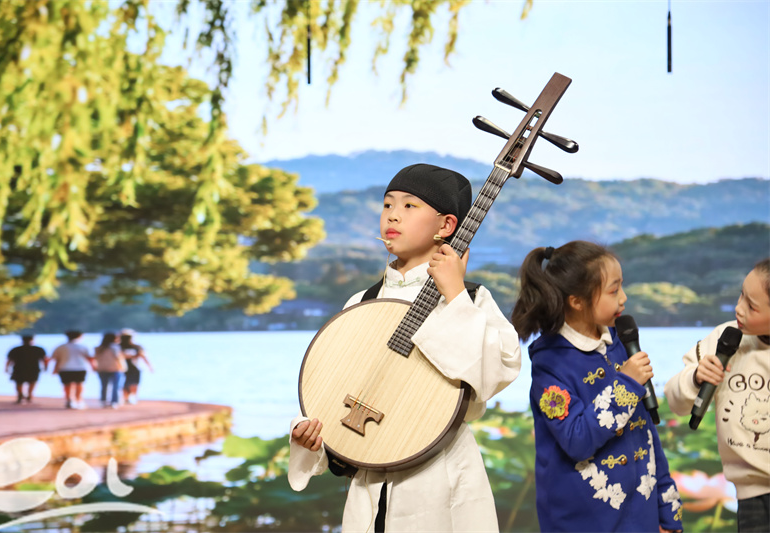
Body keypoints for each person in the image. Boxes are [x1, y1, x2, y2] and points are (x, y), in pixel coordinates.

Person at [288, 163, 522, 532]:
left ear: (447, 225)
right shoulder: (362, 302)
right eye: (387, 204)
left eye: (409, 206)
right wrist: (314, 439)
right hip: (368, 480)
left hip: (441, 475)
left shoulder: (469, 298)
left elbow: (496, 371)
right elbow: (335, 387)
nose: (393, 215)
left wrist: (454, 293)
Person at [510, 241, 683, 532]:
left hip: (640, 519)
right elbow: (577, 440)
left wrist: (667, 509)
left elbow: (646, 433)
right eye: (614, 291)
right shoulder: (550, 365)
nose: (624, 298)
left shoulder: (620, 343)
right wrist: (626, 385)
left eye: (621, 286)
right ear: (577, 301)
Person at [664, 258, 770, 532]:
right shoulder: (724, 337)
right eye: (741, 295)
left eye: (751, 306)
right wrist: (696, 377)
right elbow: (675, 402)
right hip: (752, 495)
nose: (739, 308)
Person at [50, 330, 95, 409]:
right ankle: (78, 400)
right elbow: (89, 358)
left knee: (67, 385)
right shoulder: (82, 346)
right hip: (80, 368)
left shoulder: (61, 347)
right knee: (79, 384)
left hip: (64, 368)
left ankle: (69, 399)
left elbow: (57, 359)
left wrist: (55, 369)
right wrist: (93, 367)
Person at [5, 334, 48, 403]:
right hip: (33, 369)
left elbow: (9, 360)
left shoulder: (16, 349)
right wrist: (45, 367)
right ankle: (29, 395)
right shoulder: (38, 349)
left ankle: (21, 395)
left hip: (19, 369)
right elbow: (44, 360)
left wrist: (7, 368)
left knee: (19, 382)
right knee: (32, 382)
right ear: (32, 340)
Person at [120, 328, 152, 405]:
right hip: (122, 368)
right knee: (125, 384)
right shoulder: (118, 346)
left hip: (135, 368)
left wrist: (149, 366)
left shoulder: (137, 347)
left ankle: (132, 397)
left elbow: (143, 356)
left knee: (134, 384)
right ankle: (126, 398)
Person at [94, 332, 126, 408]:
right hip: (115, 368)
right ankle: (114, 401)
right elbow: (118, 358)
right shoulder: (115, 347)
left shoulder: (99, 348)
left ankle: (103, 401)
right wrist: (123, 367)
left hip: (102, 368)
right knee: (116, 386)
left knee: (104, 385)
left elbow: (95, 358)